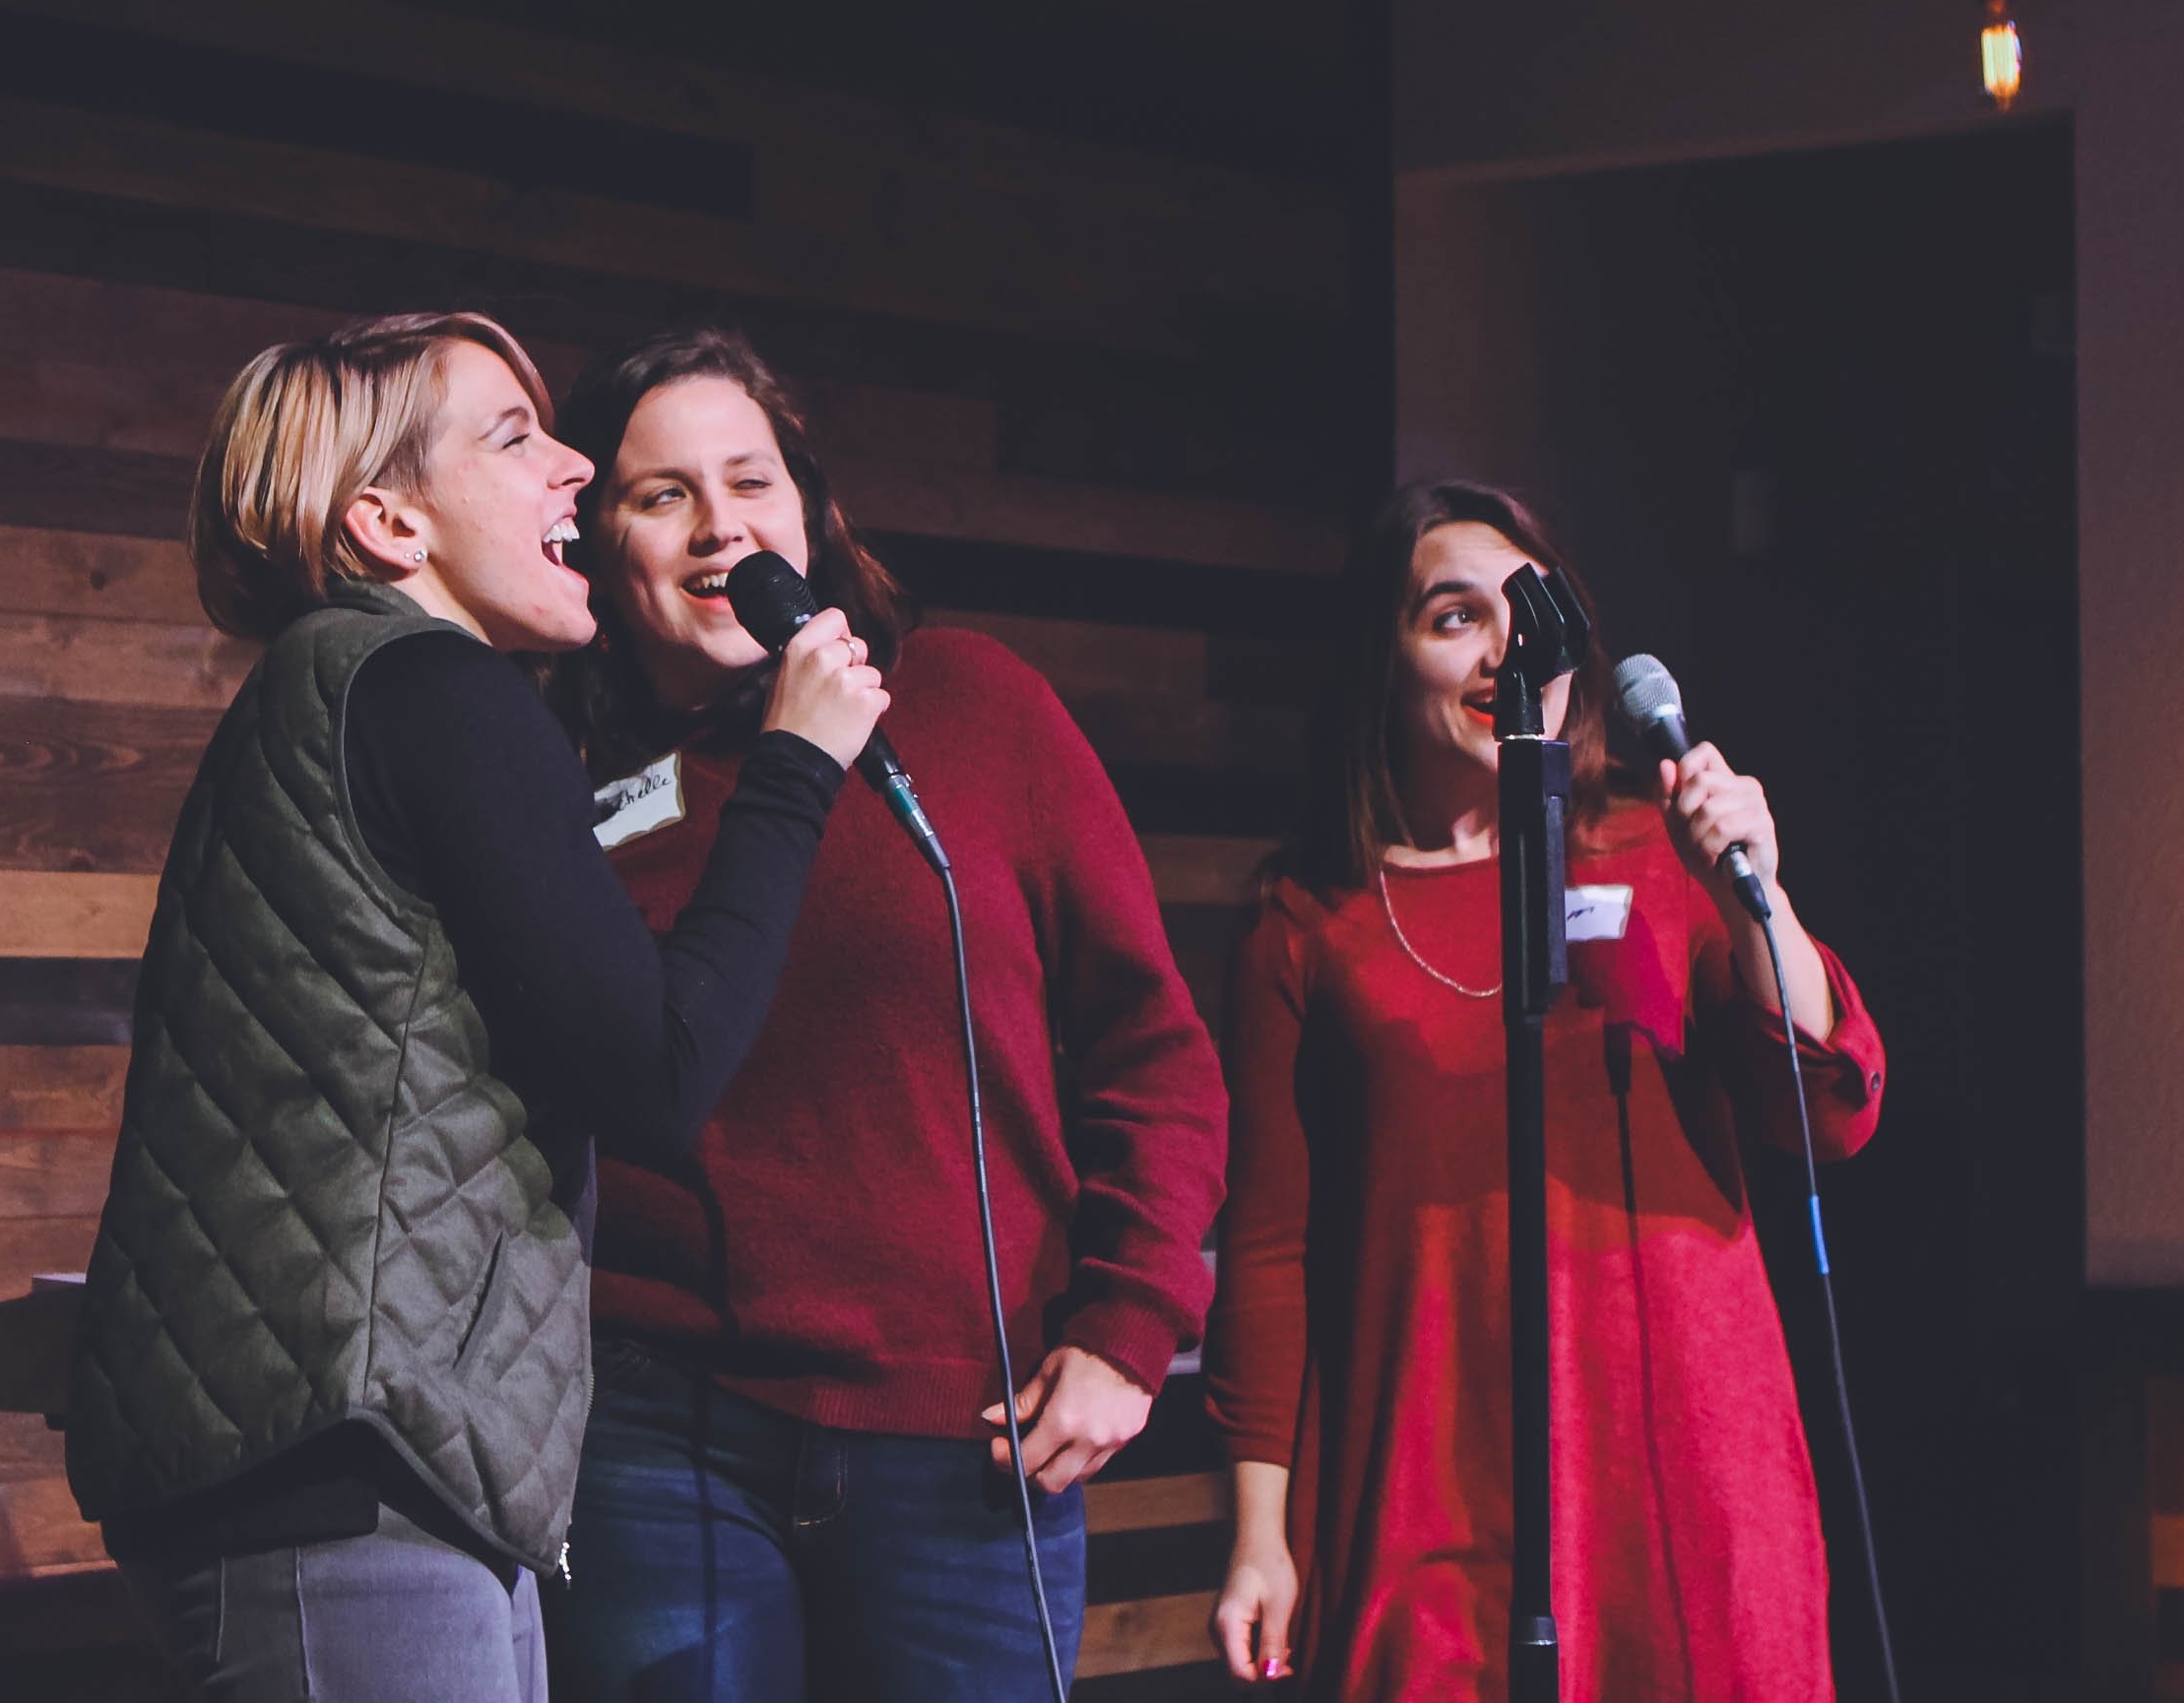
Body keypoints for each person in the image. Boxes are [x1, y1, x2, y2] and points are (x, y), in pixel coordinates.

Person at [64, 312, 889, 1703]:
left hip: (343, 1454)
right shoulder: (432, 688)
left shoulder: (340, 687)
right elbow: (659, 1069)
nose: (574, 466)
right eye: (514, 438)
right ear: (388, 522)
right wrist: (798, 765)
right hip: (354, 1461)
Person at [541, 324, 1230, 1703]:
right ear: (600, 544)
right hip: (659, 1435)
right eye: (663, 494)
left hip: (963, 1435)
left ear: (809, 511)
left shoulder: (970, 706)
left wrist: (1130, 1324)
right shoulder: (566, 782)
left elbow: (1153, 1050)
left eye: (751, 481)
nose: (721, 525)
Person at [1203, 480, 1887, 1701]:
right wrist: (1260, 1531)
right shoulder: (1309, 924)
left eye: (1529, 613)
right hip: (1430, 1482)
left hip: (1682, 1468)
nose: (1502, 649)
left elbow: (1829, 1109)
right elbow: (1267, 1250)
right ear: (1384, 661)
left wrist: (1755, 893)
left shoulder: (1659, 855)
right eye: (1453, 616)